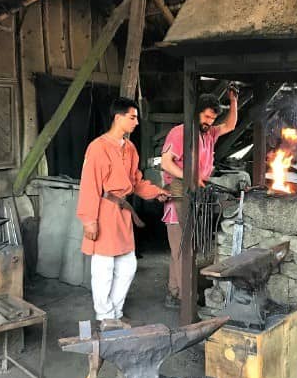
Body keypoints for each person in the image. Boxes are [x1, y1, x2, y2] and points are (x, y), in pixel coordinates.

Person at [76, 97, 170, 329]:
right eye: (132, 117)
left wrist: (156, 192)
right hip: (104, 211)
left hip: (122, 214)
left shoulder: (130, 149)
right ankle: (105, 316)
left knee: (128, 266)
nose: (136, 122)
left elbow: (136, 182)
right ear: (118, 118)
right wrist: (89, 221)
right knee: (104, 268)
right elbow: (89, 185)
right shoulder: (97, 147)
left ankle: (115, 313)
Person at [160, 88, 238, 308]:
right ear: (196, 113)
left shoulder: (209, 133)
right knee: (182, 248)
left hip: (195, 195)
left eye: (213, 118)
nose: (209, 122)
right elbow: (166, 163)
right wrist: (191, 177)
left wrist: (233, 102)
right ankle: (186, 299)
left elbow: (230, 125)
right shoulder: (180, 132)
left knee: (185, 249)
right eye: (206, 117)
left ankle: (174, 292)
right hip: (178, 194)